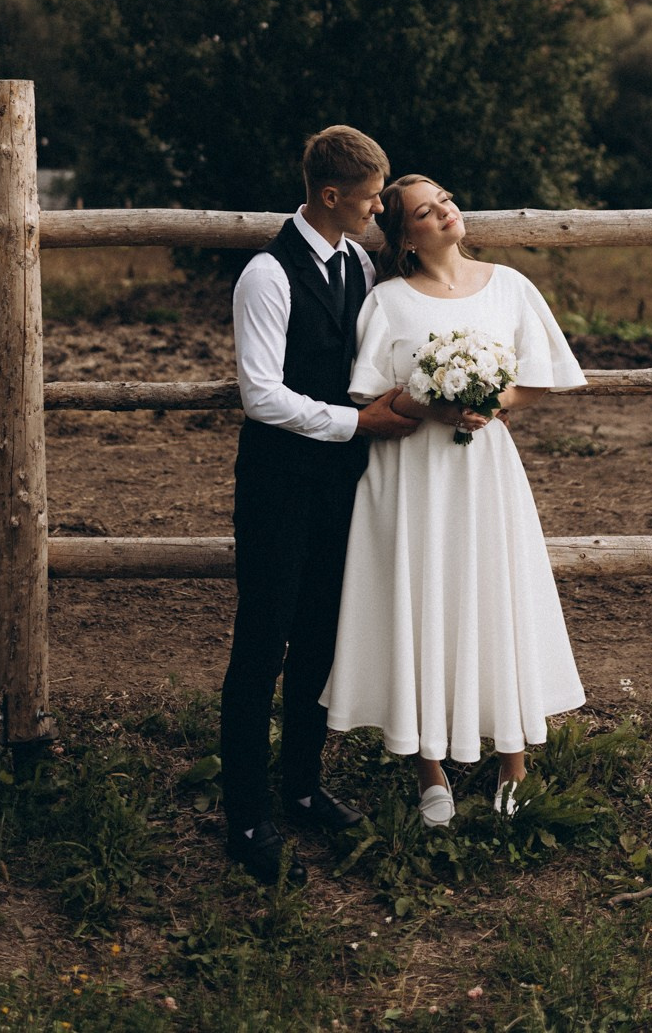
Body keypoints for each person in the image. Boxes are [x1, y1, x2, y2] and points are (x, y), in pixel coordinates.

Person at [320, 174, 586, 824]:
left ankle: (512, 766)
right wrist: (433, 399)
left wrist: (487, 402)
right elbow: (370, 397)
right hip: (413, 472)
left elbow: (542, 376)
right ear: (405, 237)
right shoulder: (388, 303)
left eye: (446, 202)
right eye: (425, 211)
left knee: (494, 597)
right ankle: (429, 770)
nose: (444, 213)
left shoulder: (509, 287)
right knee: (422, 601)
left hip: (483, 470)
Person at [220, 127, 419, 885]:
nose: (379, 206)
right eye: (371, 195)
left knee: (320, 643)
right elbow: (261, 393)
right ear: (330, 195)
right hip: (278, 483)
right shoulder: (266, 276)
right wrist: (355, 424)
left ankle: (301, 787)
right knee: (261, 648)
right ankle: (245, 817)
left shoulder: (359, 263)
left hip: (341, 486)